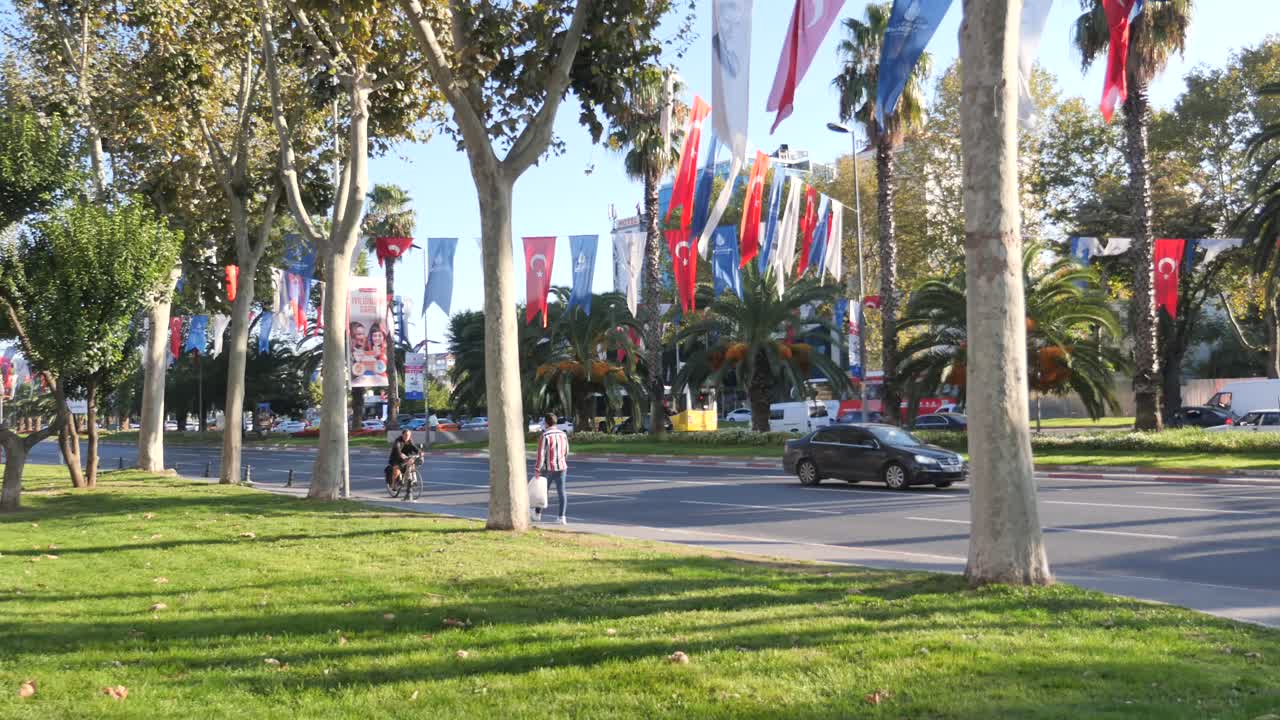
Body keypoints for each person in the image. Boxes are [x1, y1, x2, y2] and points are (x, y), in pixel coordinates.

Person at [533, 412, 569, 524]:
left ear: (546, 423)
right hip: (562, 467)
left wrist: (537, 469)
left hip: (548, 468)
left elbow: (541, 454)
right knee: (561, 492)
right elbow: (566, 451)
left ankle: (538, 514)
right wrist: (562, 461)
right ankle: (562, 517)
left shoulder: (545, 435)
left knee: (543, 491)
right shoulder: (563, 434)